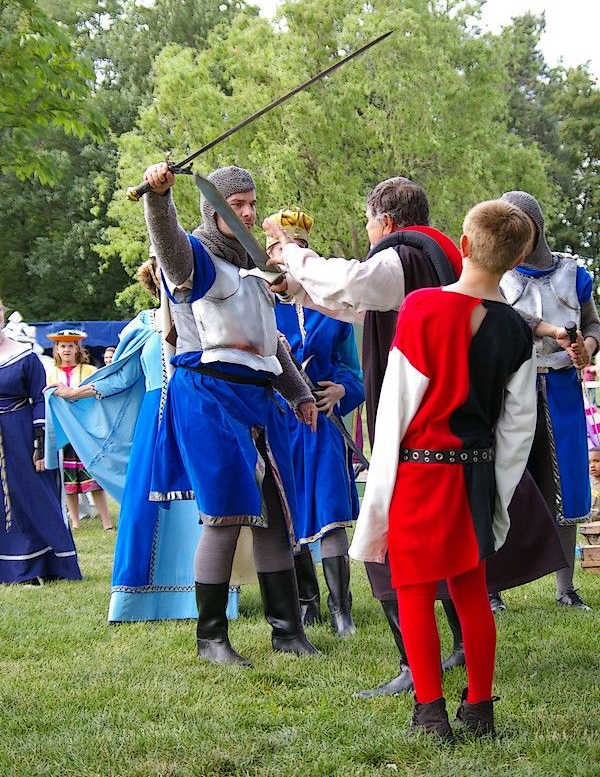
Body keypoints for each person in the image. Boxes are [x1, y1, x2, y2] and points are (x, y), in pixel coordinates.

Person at [264, 176, 466, 694]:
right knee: (447, 539)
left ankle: (414, 667)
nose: (367, 229)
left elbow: (355, 283)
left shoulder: (405, 254)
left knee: (389, 540)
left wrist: (292, 254)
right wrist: (301, 288)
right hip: (445, 418)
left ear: (386, 221)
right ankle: (462, 645)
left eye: (368, 220)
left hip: (414, 423)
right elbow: (362, 306)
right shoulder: (436, 252)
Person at [350, 200, 536, 739]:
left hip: (419, 474)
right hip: (475, 475)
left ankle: (430, 713)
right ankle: (479, 709)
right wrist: (496, 495)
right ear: (520, 256)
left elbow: (397, 406)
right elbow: (517, 428)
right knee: (471, 592)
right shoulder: (516, 330)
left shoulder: (424, 307)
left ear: (464, 242)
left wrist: (380, 490)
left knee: (414, 592)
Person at [141, 161, 319, 666]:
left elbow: (271, 343)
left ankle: (287, 631)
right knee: (223, 518)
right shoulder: (192, 259)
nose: (246, 212)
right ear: (214, 209)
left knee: (274, 518)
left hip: (259, 399)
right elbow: (166, 237)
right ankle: (211, 639)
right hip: (209, 397)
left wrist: (300, 392)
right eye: (236, 205)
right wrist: (158, 196)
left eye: (251, 204)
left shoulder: (255, 268)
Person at [46, 257, 210, 621]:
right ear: (153, 279)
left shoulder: (203, 314)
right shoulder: (144, 324)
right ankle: (139, 598)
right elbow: (120, 376)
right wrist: (78, 393)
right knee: (142, 508)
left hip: (197, 416)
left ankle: (207, 595)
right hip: (154, 419)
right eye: (161, 272)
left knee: (201, 506)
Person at [265, 207, 365, 636]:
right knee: (289, 512)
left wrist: (342, 390)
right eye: (283, 249)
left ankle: (340, 608)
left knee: (329, 508)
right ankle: (307, 603)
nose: (291, 255)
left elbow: (354, 371)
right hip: (278, 423)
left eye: (301, 248)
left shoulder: (333, 309)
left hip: (322, 426)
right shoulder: (257, 303)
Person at [500, 190, 600, 611]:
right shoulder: (495, 273)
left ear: (535, 228)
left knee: (568, 485)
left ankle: (565, 588)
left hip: (560, 389)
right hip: (511, 389)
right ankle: (492, 587)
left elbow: (593, 321)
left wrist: (587, 348)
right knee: (503, 483)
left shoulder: (572, 273)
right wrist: (548, 330)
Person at [0, 300, 81, 585]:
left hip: (21, 434)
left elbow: (40, 401)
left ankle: (44, 563)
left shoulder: (25, 356)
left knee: (33, 495)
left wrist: (40, 445)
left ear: (3, 314)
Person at [45, 331, 113, 531]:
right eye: (62, 346)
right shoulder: (50, 372)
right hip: (63, 433)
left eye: (70, 345)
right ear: (56, 349)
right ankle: (74, 520)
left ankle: (106, 521)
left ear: (77, 348)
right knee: (69, 480)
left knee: (94, 478)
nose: (66, 349)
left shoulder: (89, 370)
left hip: (85, 432)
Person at [590, 448, 600, 521]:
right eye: (588, 462)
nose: (592, 465)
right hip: (589, 528)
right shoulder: (587, 485)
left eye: (596, 461)